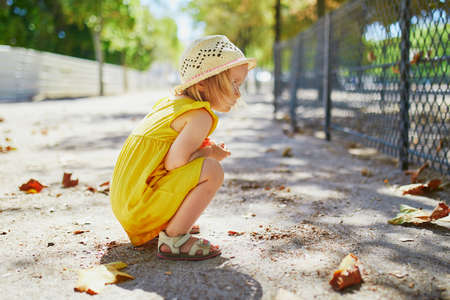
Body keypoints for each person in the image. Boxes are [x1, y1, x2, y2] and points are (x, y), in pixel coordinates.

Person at [110, 35, 256, 261]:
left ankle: (170, 222)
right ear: (203, 83)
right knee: (211, 170)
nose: (238, 93)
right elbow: (175, 163)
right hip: (139, 208)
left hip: (129, 203)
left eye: (241, 84)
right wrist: (210, 153)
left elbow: (167, 164)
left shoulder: (173, 104)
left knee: (198, 168)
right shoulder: (200, 116)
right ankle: (174, 239)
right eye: (234, 83)